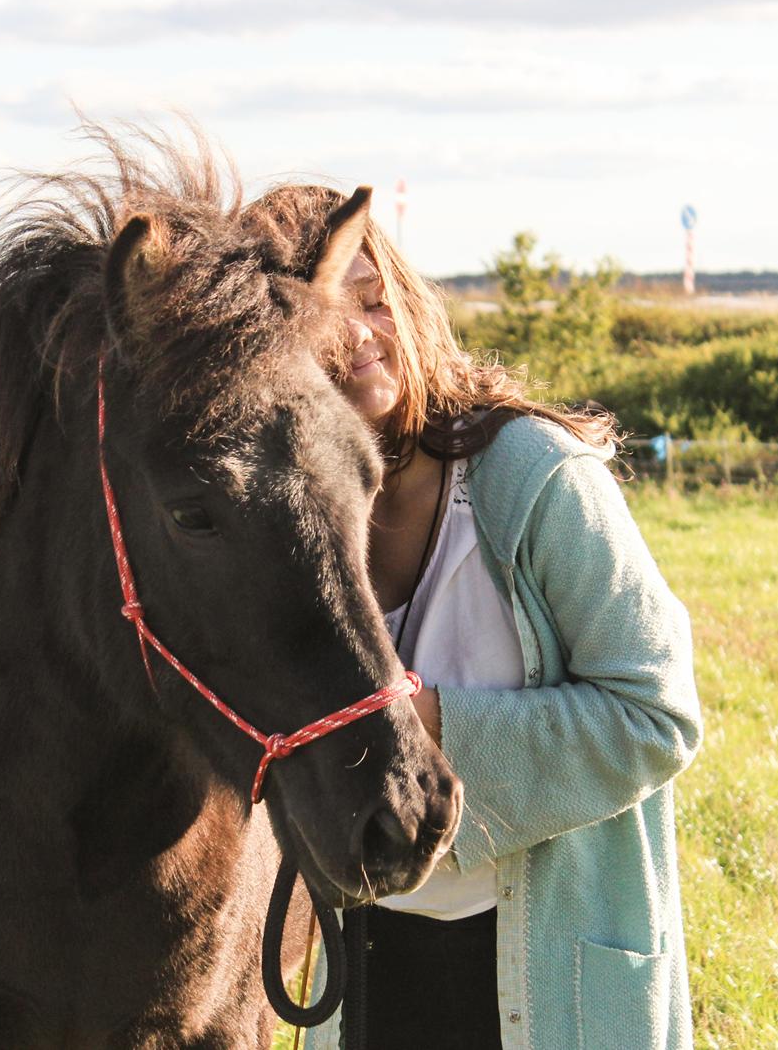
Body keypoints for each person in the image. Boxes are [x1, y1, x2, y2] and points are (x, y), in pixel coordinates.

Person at [244, 187, 703, 1050]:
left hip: (549, 974)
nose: (359, 337)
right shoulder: (283, 527)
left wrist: (430, 728)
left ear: (410, 303)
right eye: (321, 316)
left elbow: (659, 712)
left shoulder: (536, 479)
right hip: (371, 966)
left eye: (373, 298)